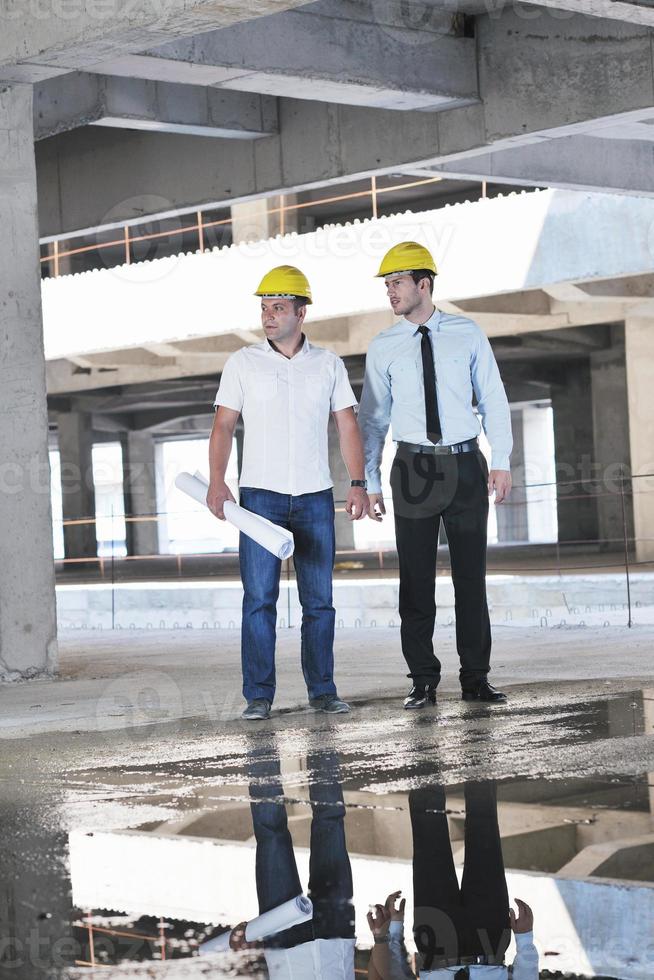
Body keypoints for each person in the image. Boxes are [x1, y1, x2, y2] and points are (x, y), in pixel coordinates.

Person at [207, 264, 369, 720]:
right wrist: (218, 480)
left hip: (316, 497)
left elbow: (347, 424)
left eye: (278, 307)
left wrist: (357, 483)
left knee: (320, 602)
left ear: (301, 313)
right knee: (259, 601)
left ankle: (322, 691)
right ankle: (258, 696)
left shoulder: (328, 363)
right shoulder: (242, 362)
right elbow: (223, 425)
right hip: (259, 499)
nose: (269, 316)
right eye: (264, 308)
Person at [357, 242, 513, 708]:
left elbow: (493, 399)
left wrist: (500, 459)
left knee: (471, 579)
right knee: (416, 579)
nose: (391, 292)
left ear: (424, 284)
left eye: (397, 282)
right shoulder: (383, 346)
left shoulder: (466, 333)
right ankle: (422, 679)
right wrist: (370, 480)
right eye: (387, 284)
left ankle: (476, 678)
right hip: (412, 467)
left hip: (466, 465)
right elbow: (372, 420)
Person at [367, 780, 539, 980]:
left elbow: (395, 976)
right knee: (485, 830)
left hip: (435, 941)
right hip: (489, 941)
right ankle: (479, 760)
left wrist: (394, 929)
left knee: (428, 837)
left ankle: (425, 761)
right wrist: (525, 939)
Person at [229, 747, 356, 978]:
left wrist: (246, 962)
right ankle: (323, 735)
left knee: (271, 837)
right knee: (331, 822)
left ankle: (261, 746)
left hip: (283, 946)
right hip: (337, 938)